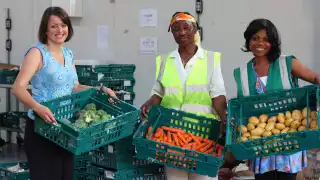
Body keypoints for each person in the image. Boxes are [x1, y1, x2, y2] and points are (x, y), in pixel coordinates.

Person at [12, 6, 117, 180]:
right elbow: (18, 88)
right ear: (45, 30)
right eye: (53, 26)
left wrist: (100, 89)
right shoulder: (37, 53)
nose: (59, 30)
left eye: (63, 25)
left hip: (65, 129)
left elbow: (74, 86)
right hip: (42, 128)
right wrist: (38, 108)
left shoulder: (68, 54)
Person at [140, 12, 227, 180]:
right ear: (171, 32)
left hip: (203, 135)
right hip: (172, 136)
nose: (181, 32)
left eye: (186, 27)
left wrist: (224, 118)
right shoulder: (165, 60)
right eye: (175, 29)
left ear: (195, 30)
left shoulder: (210, 59)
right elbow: (158, 94)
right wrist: (149, 104)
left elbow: (218, 96)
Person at [231, 18, 320, 180]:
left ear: (273, 43)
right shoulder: (242, 73)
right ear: (248, 41)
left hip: (288, 139)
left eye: (266, 39)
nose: (260, 43)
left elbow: (314, 77)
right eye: (255, 38)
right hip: (260, 144)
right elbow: (242, 108)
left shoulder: (287, 63)